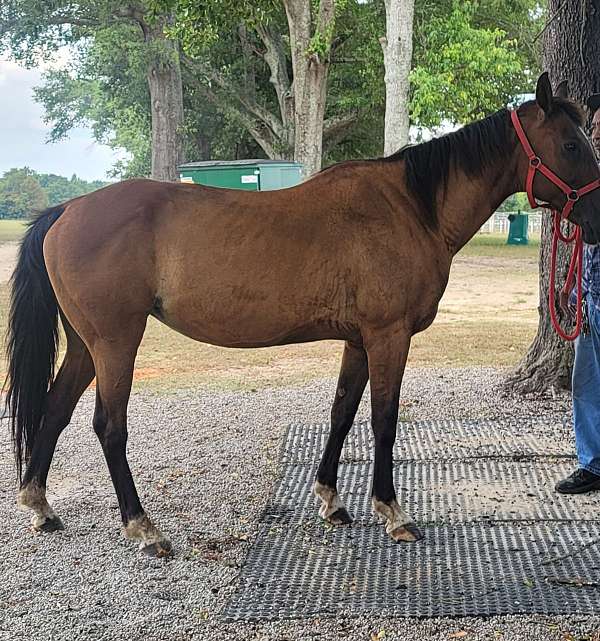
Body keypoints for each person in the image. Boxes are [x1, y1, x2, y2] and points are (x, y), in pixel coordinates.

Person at [556, 93, 600, 493]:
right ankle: (591, 463)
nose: (598, 134)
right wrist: (572, 291)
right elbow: (581, 245)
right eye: (596, 127)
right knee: (585, 380)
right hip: (590, 298)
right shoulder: (588, 184)